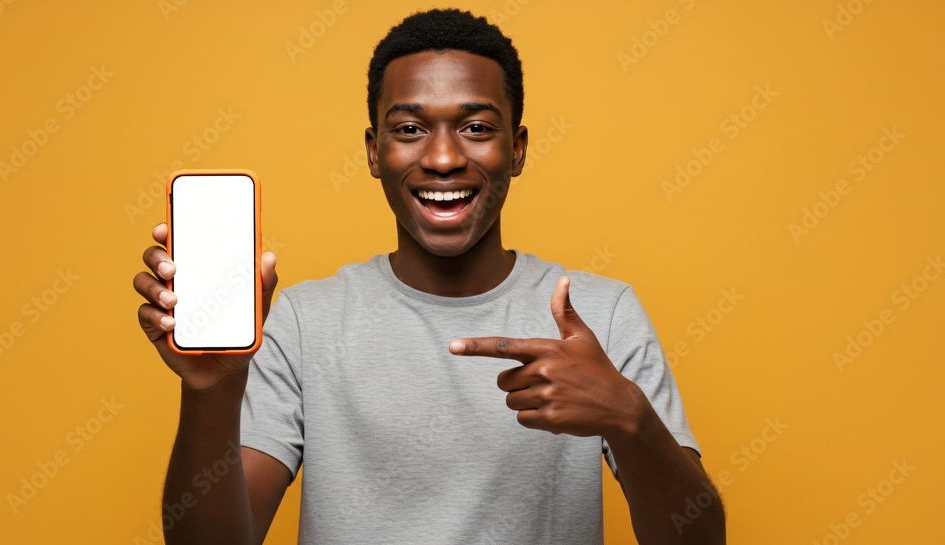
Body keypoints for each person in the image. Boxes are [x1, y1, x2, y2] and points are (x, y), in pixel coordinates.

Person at [134, 8, 725, 545]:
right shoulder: (302, 321)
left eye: (476, 127)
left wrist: (631, 420)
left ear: (517, 150)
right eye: (410, 129)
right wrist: (208, 393)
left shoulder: (604, 313)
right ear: (373, 152)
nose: (443, 158)